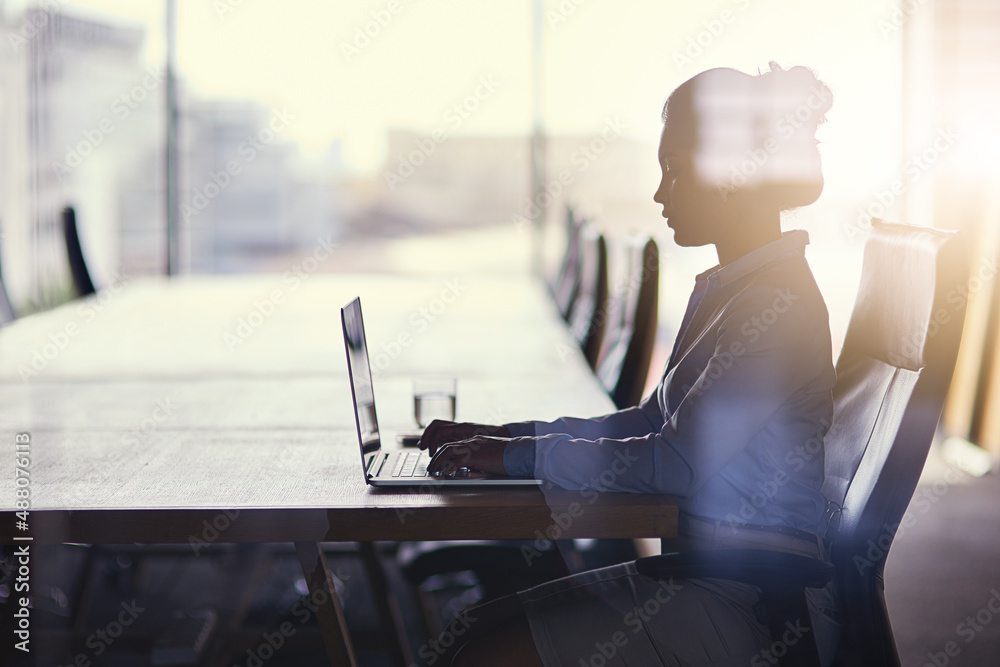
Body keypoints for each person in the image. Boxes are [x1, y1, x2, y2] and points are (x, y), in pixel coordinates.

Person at [419, 62, 839, 667]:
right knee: (465, 634)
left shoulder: (777, 304)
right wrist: (506, 438)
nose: (660, 192)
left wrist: (515, 456)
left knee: (474, 655)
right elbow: (649, 421)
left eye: (673, 169)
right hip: (708, 573)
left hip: (759, 604)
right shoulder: (737, 286)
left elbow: (675, 460)